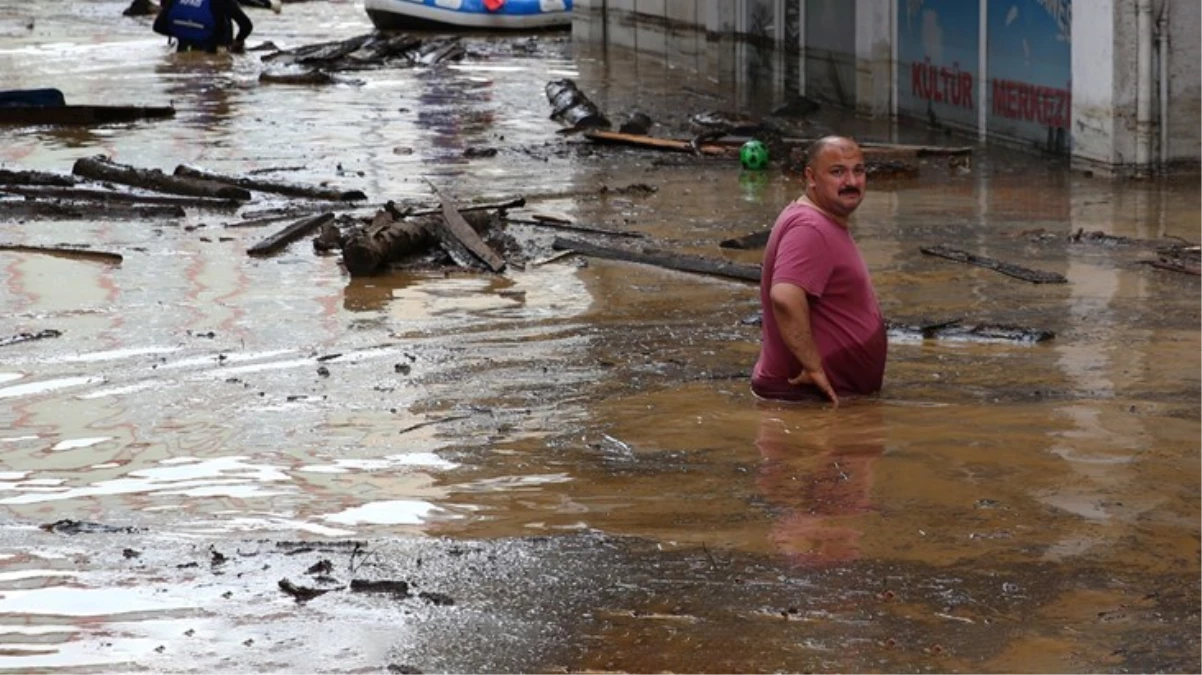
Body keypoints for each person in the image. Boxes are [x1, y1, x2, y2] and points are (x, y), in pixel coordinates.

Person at [751, 136, 887, 405]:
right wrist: (813, 367)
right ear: (811, 177)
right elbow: (785, 297)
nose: (851, 182)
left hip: (823, 401)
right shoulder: (810, 228)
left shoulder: (821, 221)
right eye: (837, 172)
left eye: (858, 171)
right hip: (804, 400)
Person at [154, 0, 252, 54]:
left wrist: (185, 32)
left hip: (181, 52)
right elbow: (246, 26)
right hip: (212, 53)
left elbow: (158, 27)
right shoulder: (223, 1)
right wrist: (238, 41)